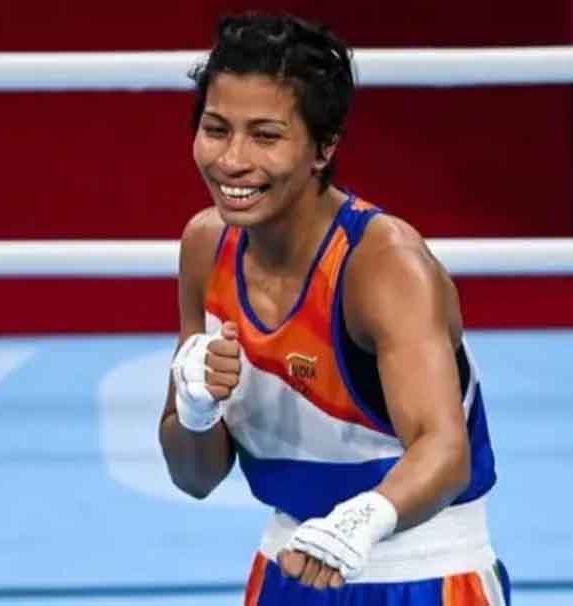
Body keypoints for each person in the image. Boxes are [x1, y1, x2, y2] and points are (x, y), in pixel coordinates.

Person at [159, 13, 510, 605]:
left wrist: (366, 518)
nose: (232, 160)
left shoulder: (383, 267)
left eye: (266, 136)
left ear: (324, 148)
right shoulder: (204, 248)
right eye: (216, 129)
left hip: (424, 575)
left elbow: (444, 451)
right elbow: (195, 478)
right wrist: (195, 412)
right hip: (286, 567)